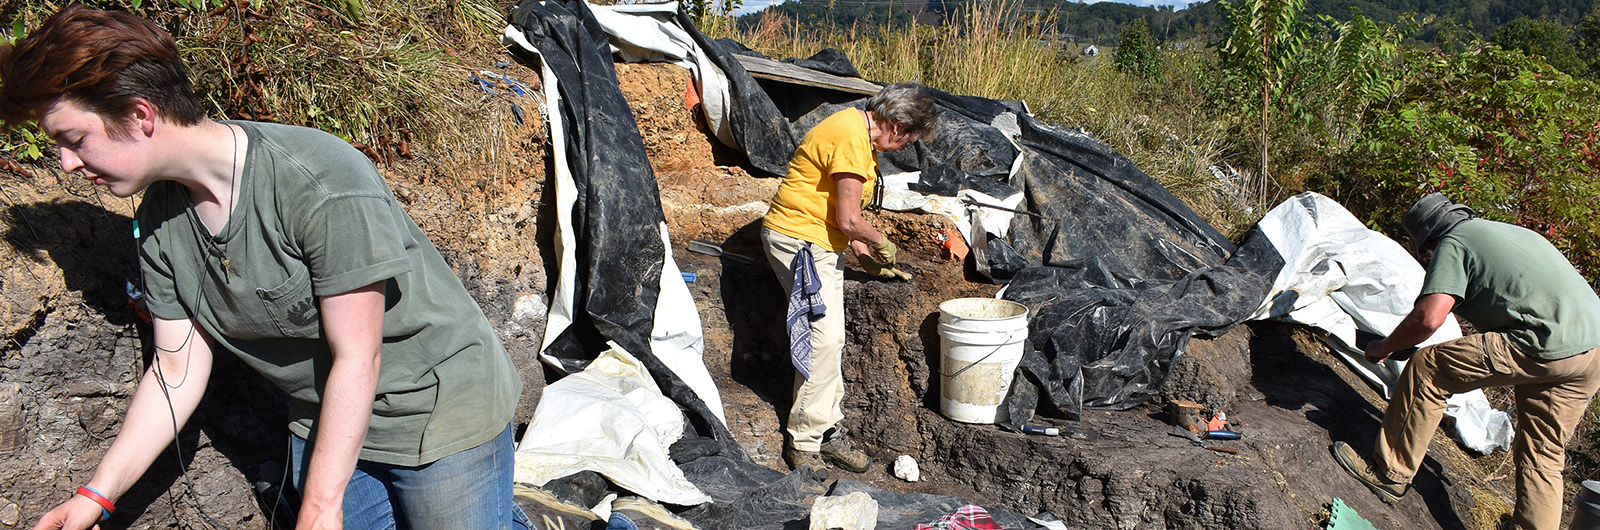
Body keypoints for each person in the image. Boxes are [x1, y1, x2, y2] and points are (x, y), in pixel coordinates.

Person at [0, 6, 526, 530]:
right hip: (326, 420)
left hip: (438, 409)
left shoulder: (317, 182)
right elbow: (176, 371)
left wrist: (320, 508)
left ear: (141, 116)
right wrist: (98, 493)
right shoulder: (160, 220)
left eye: (75, 140)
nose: (67, 164)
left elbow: (356, 355)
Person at [1332, 193, 1600, 530]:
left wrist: (1384, 346)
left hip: (1543, 343)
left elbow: (1428, 319)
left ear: (1429, 240)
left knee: (1428, 369)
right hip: (1592, 351)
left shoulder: (1454, 242)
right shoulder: (1511, 232)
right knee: (1543, 454)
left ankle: (1390, 473)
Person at [761, 82, 937, 474]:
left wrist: (859, 251)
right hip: (800, 240)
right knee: (822, 340)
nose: (906, 147)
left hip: (816, 240)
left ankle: (825, 429)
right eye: (909, 139)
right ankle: (806, 442)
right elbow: (850, 219)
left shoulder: (853, 131)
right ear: (895, 124)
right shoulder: (851, 138)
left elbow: (835, 208)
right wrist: (879, 242)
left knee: (831, 338)